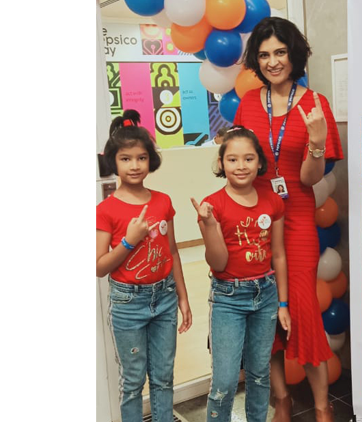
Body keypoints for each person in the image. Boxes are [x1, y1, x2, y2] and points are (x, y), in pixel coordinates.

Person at [234, 17, 344, 422]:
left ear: (293, 54)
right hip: (256, 217)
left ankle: (320, 404)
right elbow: (244, 162)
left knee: (301, 309)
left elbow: (308, 180)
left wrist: (316, 143)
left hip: (296, 216)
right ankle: (280, 398)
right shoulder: (248, 104)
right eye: (264, 55)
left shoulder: (316, 105)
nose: (273, 61)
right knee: (264, 313)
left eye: (280, 52)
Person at [193, 126, 292, 422]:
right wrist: (209, 225)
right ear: (221, 163)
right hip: (228, 297)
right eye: (233, 159)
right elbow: (218, 262)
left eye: (248, 159)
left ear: (259, 163)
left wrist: (283, 304)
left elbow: (278, 255)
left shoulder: (273, 202)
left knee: (260, 374)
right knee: (224, 382)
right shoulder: (212, 205)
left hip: (266, 295)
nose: (241, 166)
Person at [95, 125, 193, 422]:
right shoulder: (106, 209)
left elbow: (172, 251)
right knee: (134, 380)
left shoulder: (162, 201)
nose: (135, 165)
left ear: (151, 160)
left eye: (141, 157)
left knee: (163, 376)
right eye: (126, 159)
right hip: (128, 304)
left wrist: (183, 298)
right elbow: (99, 266)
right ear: (114, 162)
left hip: (164, 298)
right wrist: (129, 240)